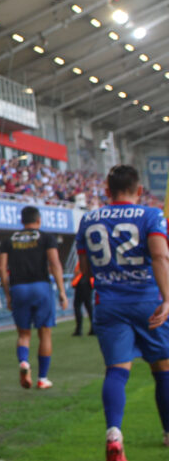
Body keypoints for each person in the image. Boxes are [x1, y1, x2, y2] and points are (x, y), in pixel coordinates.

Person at [76, 164, 169, 459]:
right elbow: (159, 255)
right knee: (164, 370)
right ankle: (168, 432)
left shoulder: (88, 219)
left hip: (109, 303)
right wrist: (167, 299)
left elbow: (86, 269)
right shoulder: (151, 214)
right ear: (139, 190)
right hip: (147, 300)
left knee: (116, 371)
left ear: (107, 191)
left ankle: (114, 432)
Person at [0, 206, 68, 390]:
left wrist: (7, 293)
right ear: (38, 220)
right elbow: (54, 263)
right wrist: (61, 291)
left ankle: (23, 362)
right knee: (45, 333)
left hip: (18, 288)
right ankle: (42, 378)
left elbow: (1, 269)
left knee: (23, 334)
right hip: (41, 287)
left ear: (21, 221)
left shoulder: (9, 240)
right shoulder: (46, 237)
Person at [71, 261, 94, 336]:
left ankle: (79, 329)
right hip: (88, 283)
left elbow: (78, 271)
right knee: (89, 306)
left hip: (82, 282)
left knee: (78, 306)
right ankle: (93, 328)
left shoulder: (84, 258)